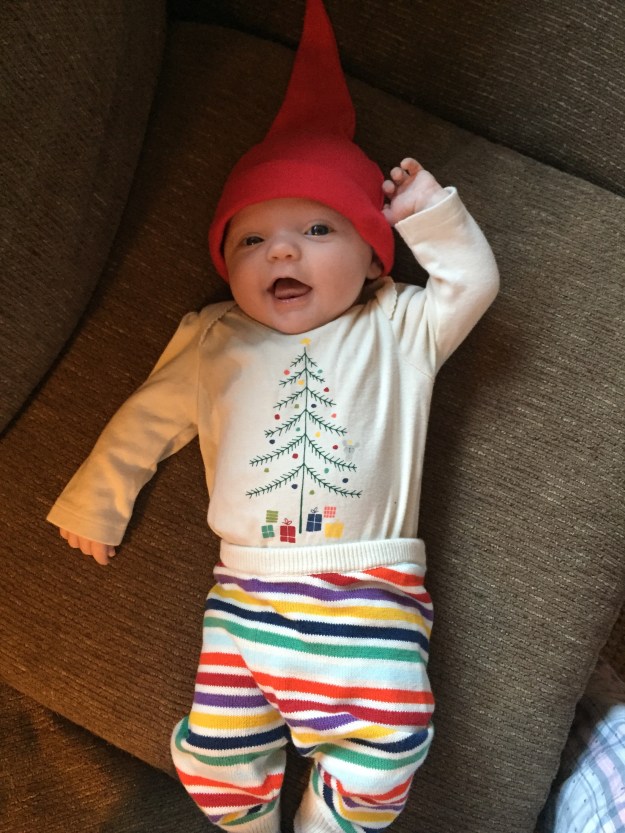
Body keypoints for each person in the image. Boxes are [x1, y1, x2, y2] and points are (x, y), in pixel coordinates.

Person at [47, 1, 499, 831]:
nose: (281, 250)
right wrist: (96, 497)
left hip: (370, 597)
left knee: (392, 741)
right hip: (244, 596)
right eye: (249, 240)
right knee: (217, 750)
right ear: (227, 267)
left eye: (317, 228)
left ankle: (331, 818)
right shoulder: (214, 338)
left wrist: (428, 213)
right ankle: (248, 817)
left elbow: (470, 283)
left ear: (374, 259)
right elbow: (146, 420)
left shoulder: (398, 326)